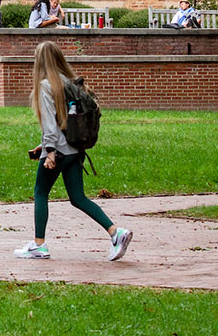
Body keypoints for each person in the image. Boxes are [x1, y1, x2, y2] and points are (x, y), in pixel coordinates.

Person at [13, 41, 133, 262]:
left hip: (56, 152)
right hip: (74, 150)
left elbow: (49, 123)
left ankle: (39, 245)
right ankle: (116, 232)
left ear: (39, 61)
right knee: (78, 197)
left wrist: (48, 150)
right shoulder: (70, 84)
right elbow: (65, 121)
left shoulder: (46, 86)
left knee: (40, 192)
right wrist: (44, 144)